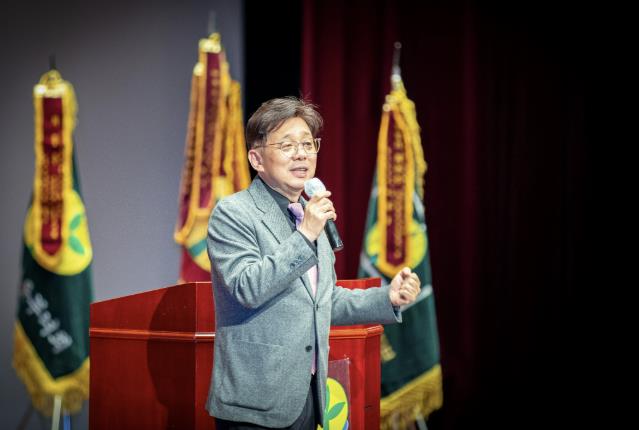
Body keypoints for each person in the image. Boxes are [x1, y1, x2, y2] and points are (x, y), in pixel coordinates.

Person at [206, 97, 421, 429]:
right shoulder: (234, 213)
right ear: (256, 159)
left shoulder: (309, 215)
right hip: (254, 402)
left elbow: (324, 300)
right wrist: (305, 234)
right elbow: (246, 287)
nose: (301, 154)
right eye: (287, 145)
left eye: (308, 144)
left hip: (308, 396)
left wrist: (387, 297)